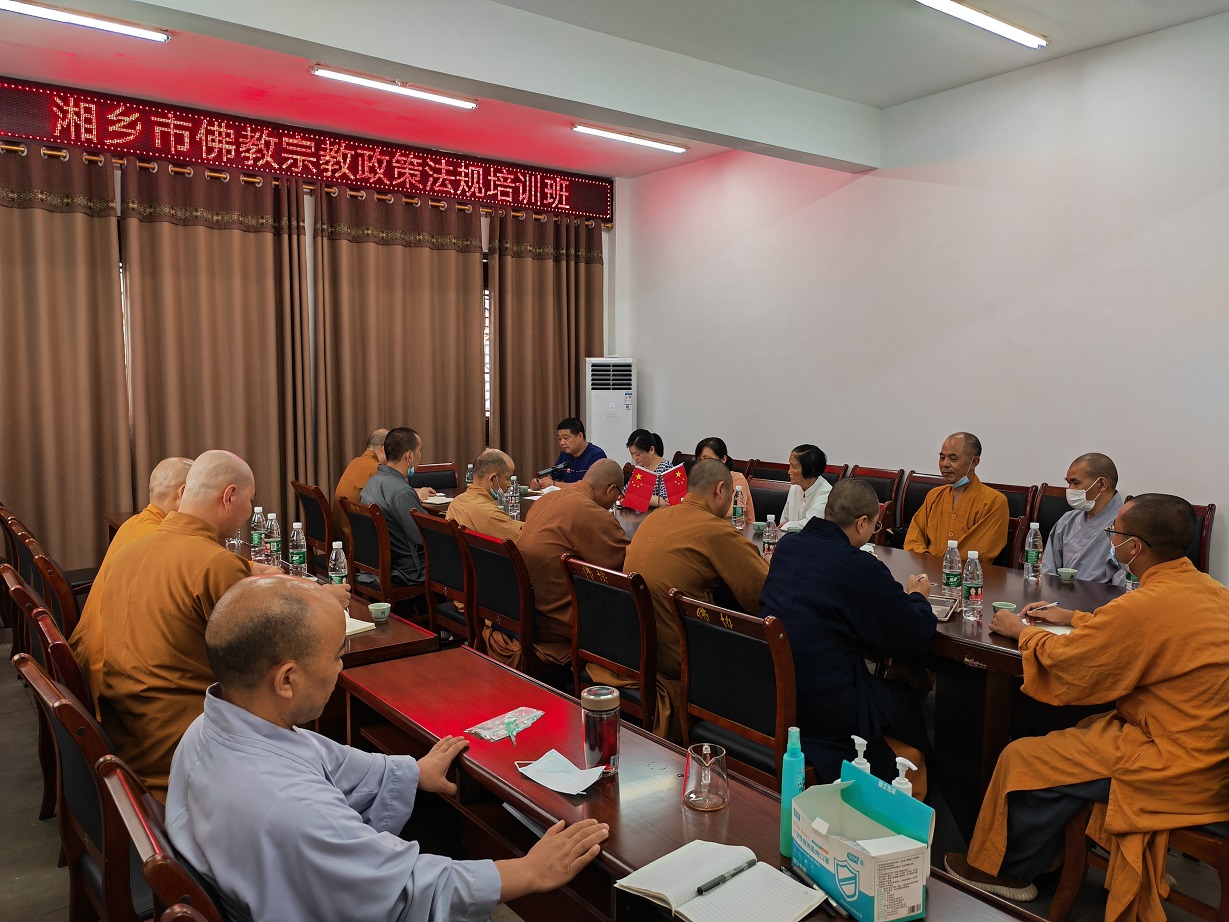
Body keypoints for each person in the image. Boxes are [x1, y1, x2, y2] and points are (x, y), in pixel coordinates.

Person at [167, 575, 609, 922]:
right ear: (286, 680)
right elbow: (406, 887)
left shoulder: (212, 726)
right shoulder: (290, 809)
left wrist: (412, 771)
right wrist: (530, 871)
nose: (340, 666)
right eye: (336, 655)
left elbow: (329, 758)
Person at [945, 494, 1229, 918]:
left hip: (1172, 760)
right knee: (1076, 738)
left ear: (1134, 546)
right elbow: (1136, 629)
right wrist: (1072, 618)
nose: (1111, 541)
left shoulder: (1144, 604)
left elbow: (1073, 663)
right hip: (1214, 751)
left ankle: (1009, 872)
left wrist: (1022, 631)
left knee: (1023, 756)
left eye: (1115, 533)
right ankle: (1051, 853)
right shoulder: (1211, 590)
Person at [75, 450, 292, 799]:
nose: (249, 510)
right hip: (183, 748)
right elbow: (262, 656)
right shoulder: (213, 564)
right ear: (229, 496)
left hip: (128, 733)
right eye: (250, 500)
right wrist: (321, 603)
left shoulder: (130, 549)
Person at [760, 478, 935, 797]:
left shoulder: (787, 546)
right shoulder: (858, 565)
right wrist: (918, 596)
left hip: (773, 693)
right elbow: (914, 634)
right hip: (827, 707)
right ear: (862, 523)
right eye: (875, 525)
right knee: (909, 696)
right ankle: (909, 787)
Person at [595, 459, 769, 741]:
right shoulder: (714, 529)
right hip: (679, 658)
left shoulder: (655, 517)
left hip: (634, 647)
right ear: (720, 490)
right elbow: (760, 591)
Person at [70, 456, 193, 708]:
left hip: (88, 661)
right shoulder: (159, 539)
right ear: (182, 494)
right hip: (113, 686)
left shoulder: (134, 523)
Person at [498, 459, 629, 668]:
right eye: (618, 495)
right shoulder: (592, 513)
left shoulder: (546, 499)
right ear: (610, 490)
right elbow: (625, 567)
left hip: (523, 611)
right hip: (557, 622)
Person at [904, 432, 1008, 560]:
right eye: (942, 458)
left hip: (968, 571)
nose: (945, 464)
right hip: (926, 567)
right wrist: (926, 561)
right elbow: (914, 537)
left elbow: (979, 550)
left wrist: (935, 564)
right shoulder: (934, 496)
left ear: (974, 462)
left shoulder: (994, 501)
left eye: (953, 459)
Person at [1041, 452, 1127, 587]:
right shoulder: (1068, 520)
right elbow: (1048, 568)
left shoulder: (1127, 527)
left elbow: (1124, 581)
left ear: (1101, 484)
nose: (1070, 489)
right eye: (1068, 483)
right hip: (1060, 595)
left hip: (1102, 598)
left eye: (1075, 483)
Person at [359, 427, 429, 586]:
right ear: (409, 456)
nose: (420, 456)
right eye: (419, 451)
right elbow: (423, 536)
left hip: (376, 565)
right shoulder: (401, 491)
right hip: (407, 570)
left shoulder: (372, 482)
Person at [446, 448, 521, 542]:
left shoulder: (456, 502)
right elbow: (527, 539)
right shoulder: (491, 514)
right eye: (508, 478)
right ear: (492, 479)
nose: (510, 484)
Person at [333, 428, 387, 551]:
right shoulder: (377, 469)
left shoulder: (356, 462)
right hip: (356, 544)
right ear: (384, 450)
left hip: (341, 538)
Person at [530, 417, 607, 488]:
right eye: (559, 439)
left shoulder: (596, 455)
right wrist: (539, 483)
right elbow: (552, 477)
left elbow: (588, 487)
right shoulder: (564, 455)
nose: (562, 443)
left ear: (580, 436)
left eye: (565, 438)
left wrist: (554, 484)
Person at [695, 437, 755, 524]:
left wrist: (700, 510)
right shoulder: (699, 480)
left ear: (723, 459)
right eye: (699, 460)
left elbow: (734, 512)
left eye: (707, 459)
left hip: (738, 529)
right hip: (709, 526)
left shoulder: (737, 479)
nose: (702, 464)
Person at [781, 444, 831, 527]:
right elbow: (784, 520)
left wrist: (787, 525)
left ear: (810, 470)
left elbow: (811, 525)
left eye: (793, 466)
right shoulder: (795, 486)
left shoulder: (826, 493)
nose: (789, 471)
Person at [625, 429, 670, 508]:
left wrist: (639, 498)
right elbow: (627, 491)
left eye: (638, 454)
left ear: (651, 450)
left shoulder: (666, 468)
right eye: (631, 454)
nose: (634, 458)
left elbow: (666, 501)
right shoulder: (640, 467)